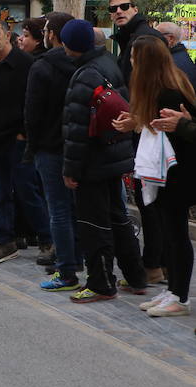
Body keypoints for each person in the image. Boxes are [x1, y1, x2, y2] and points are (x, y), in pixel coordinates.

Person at [61, 19, 146, 303]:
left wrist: (71, 169)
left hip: (93, 163)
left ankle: (100, 283)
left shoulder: (85, 75)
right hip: (115, 154)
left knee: (93, 223)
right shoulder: (108, 62)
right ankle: (136, 276)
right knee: (117, 217)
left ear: (70, 45)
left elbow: (77, 130)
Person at [114, 35, 196, 316]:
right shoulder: (162, 85)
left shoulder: (170, 90)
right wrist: (135, 122)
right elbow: (157, 124)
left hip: (176, 173)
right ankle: (174, 290)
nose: (132, 63)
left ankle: (180, 297)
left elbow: (175, 127)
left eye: (135, 58)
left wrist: (142, 123)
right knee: (170, 232)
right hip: (167, 171)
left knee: (176, 234)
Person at [0, 19, 51, 266]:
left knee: (27, 191)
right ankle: (5, 240)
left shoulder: (26, 64)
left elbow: (35, 102)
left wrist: (24, 132)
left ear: (8, 35)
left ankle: (47, 240)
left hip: (16, 140)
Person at [25, 12, 81, 290]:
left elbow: (32, 113)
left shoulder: (43, 67)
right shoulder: (83, 64)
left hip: (50, 147)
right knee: (73, 208)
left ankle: (66, 268)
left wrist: (31, 147)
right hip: (77, 146)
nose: (44, 35)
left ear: (53, 35)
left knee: (57, 209)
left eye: (47, 30)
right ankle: (75, 258)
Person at [107, 0, 164, 82]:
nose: (118, 11)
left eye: (124, 7)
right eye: (113, 9)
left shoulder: (147, 37)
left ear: (135, 10)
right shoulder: (127, 36)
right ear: (110, 15)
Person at [156, 21, 196, 91]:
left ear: (170, 38)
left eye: (156, 36)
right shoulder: (181, 56)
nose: (153, 39)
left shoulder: (170, 63)